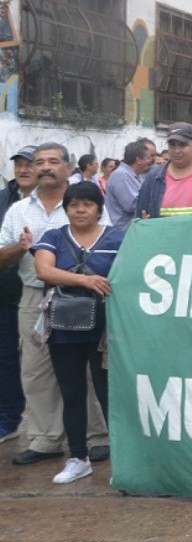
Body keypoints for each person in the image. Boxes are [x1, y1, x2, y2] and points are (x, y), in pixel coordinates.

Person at [0, 142, 110, 466]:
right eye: (39, 162)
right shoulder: (19, 210)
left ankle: (97, 438)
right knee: (35, 370)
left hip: (86, 297)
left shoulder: (86, 199)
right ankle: (45, 439)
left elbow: (110, 238)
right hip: (35, 296)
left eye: (52, 161)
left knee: (89, 372)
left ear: (67, 167)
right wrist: (19, 249)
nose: (45, 167)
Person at [31, 182, 124, 483]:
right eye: (74, 205)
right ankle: (78, 457)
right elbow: (43, 270)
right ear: (67, 209)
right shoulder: (54, 237)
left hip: (105, 330)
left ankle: (123, 460)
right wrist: (85, 281)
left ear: (99, 208)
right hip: (64, 329)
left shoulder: (116, 237)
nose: (81, 210)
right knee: (72, 394)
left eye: (87, 204)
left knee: (109, 394)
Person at [0, 145, 37, 444]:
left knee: (40, 362)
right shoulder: (5, 201)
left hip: (43, 292)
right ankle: (10, 418)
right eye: (19, 165)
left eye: (30, 164)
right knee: (6, 357)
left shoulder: (63, 201)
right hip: (6, 291)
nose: (23, 170)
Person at [136, 122, 192, 218]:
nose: (177, 151)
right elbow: (140, 216)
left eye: (182, 145)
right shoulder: (154, 177)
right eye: (172, 145)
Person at [105, 139, 156, 230]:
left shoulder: (136, 175)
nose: (151, 161)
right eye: (148, 157)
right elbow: (132, 205)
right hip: (122, 231)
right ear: (138, 160)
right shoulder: (121, 176)